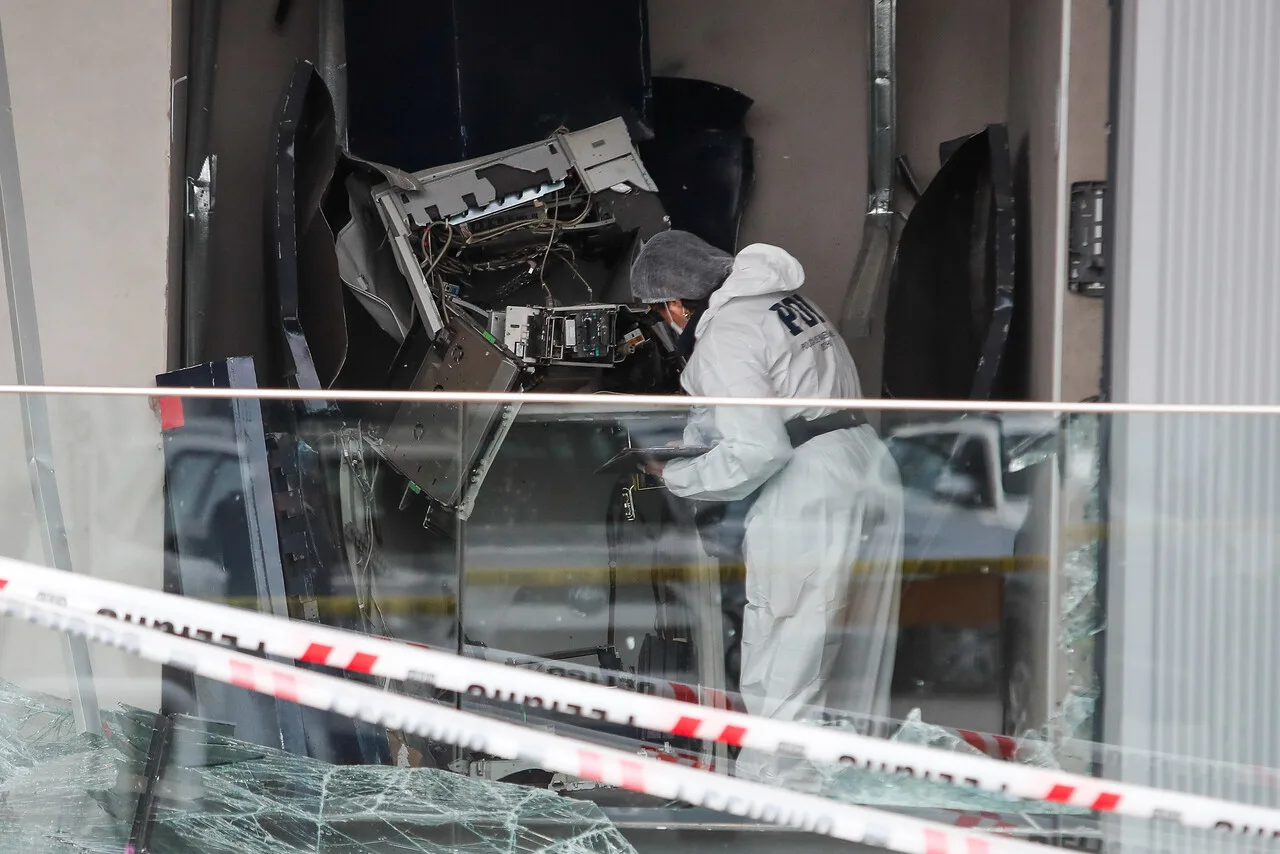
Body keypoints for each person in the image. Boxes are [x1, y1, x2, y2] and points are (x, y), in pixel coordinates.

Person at [631, 230, 904, 790]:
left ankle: (776, 800)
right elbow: (758, 408)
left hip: (813, 484)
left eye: (659, 313)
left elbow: (759, 449)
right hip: (866, 463)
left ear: (675, 304)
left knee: (786, 644)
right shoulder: (781, 302)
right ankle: (845, 790)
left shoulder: (725, 333)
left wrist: (677, 476)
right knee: (852, 651)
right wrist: (695, 442)